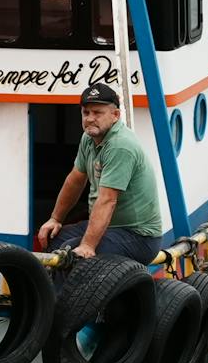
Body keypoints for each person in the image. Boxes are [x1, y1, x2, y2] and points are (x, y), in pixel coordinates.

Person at [37, 83, 164, 264]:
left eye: (97, 113)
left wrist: (88, 245)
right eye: (86, 113)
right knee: (54, 238)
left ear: (115, 115)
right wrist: (55, 218)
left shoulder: (120, 145)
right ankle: (46, 291)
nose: (90, 119)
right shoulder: (89, 138)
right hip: (109, 228)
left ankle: (63, 293)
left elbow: (107, 199)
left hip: (138, 236)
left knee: (73, 252)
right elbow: (75, 179)